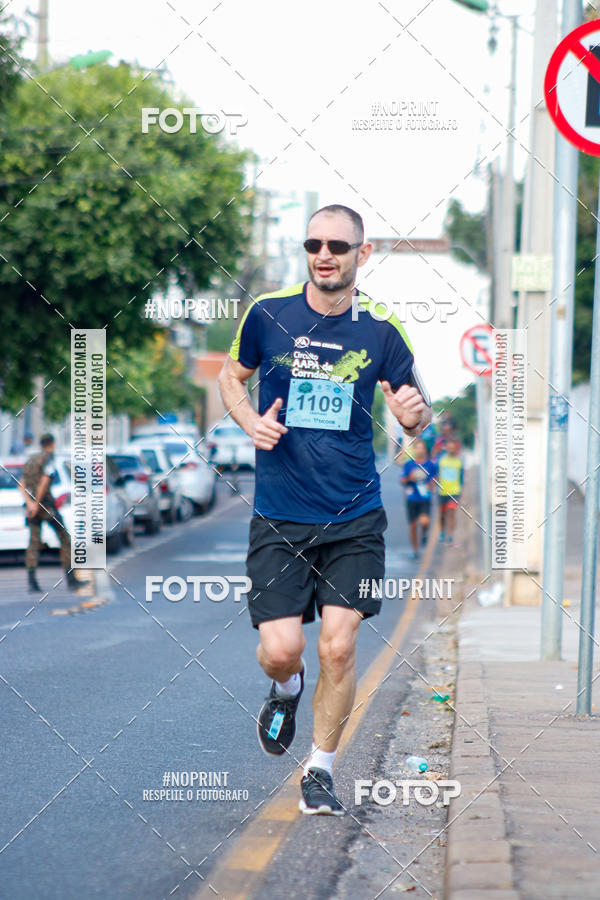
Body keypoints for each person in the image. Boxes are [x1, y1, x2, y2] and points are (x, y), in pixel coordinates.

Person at [219, 203, 432, 816]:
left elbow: (417, 413)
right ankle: (285, 687)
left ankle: (320, 769)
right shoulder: (268, 313)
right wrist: (249, 421)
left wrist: (410, 415)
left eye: (338, 245)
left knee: (338, 646)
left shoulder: (382, 329)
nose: (324, 254)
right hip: (280, 514)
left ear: (362, 254)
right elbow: (232, 377)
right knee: (284, 649)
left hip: (355, 515)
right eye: (314, 243)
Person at [18, 434, 87, 592]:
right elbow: (44, 481)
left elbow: (21, 484)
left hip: (32, 507)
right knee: (65, 538)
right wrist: (36, 503)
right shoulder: (48, 459)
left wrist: (29, 504)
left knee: (33, 543)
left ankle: (32, 583)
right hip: (46, 506)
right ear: (52, 444)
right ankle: (71, 580)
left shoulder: (31, 460)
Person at [401, 438, 437, 559]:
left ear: (425, 449)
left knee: (425, 521)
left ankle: (424, 534)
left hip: (425, 498)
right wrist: (409, 478)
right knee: (412, 525)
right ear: (414, 450)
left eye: (422, 448)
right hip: (412, 498)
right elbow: (402, 480)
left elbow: (435, 478)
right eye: (417, 448)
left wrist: (431, 484)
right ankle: (415, 551)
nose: (419, 450)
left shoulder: (430, 465)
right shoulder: (408, 465)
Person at [437, 437, 464, 546]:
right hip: (442, 491)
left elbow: (462, 478)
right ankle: (443, 532)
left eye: (453, 448)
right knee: (443, 514)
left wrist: (462, 492)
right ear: (446, 448)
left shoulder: (459, 462)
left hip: (454, 492)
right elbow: (437, 474)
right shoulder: (442, 460)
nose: (451, 450)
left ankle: (451, 535)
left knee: (451, 513)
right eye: (449, 448)